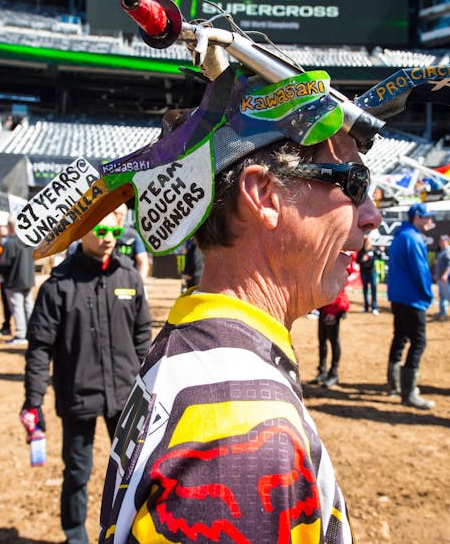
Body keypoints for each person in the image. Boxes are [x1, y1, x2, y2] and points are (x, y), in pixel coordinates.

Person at [96, 69, 380, 543]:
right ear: (264, 196)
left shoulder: (196, 343)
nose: (372, 215)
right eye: (353, 182)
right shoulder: (242, 433)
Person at [21, 210, 152, 544]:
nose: (108, 239)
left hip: (125, 395)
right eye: (100, 231)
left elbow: (142, 336)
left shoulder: (129, 276)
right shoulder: (58, 284)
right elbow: (39, 348)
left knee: (135, 472)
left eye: (114, 232)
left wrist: (149, 384)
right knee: (77, 471)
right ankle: (75, 535)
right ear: (81, 232)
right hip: (77, 393)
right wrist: (33, 401)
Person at [385, 202, 436, 409]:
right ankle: (409, 392)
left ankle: (394, 386)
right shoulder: (413, 238)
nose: (431, 221)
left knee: (400, 338)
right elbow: (420, 271)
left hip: (398, 297)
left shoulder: (400, 236)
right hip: (412, 299)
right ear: (418, 217)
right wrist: (427, 295)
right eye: (428, 217)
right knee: (418, 342)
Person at [310, 258, 352, 388]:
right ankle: (322, 371)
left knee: (333, 341)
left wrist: (333, 311)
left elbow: (339, 287)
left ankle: (334, 373)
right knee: (322, 341)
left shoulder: (339, 261)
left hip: (334, 308)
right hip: (324, 307)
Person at [0, 221, 35, 346]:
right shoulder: (30, 241)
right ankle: (31, 332)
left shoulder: (11, 243)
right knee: (28, 306)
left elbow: (4, 263)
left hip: (14, 280)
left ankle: (20, 334)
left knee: (17, 308)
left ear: (11, 227)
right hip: (27, 280)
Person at [113, 203, 150, 279]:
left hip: (128, 279)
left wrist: (140, 282)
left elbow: (143, 262)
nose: (118, 217)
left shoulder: (132, 235)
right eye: (114, 213)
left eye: (121, 214)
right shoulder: (103, 233)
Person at [434, 233, 450, 320]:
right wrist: (437, 274)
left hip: (446, 278)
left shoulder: (449, 251)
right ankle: (442, 312)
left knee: (449, 294)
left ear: (447, 241)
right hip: (440, 277)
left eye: (442, 241)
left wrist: (445, 275)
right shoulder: (442, 251)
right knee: (442, 295)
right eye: (440, 241)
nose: (440, 242)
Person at [357, 234, 380, 314]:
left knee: (373, 289)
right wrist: (362, 260)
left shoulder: (373, 249)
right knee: (365, 289)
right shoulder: (361, 250)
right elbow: (357, 261)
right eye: (365, 241)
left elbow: (379, 256)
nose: (367, 242)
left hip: (372, 272)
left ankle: (374, 307)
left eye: (368, 241)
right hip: (364, 272)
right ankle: (366, 307)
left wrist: (380, 251)